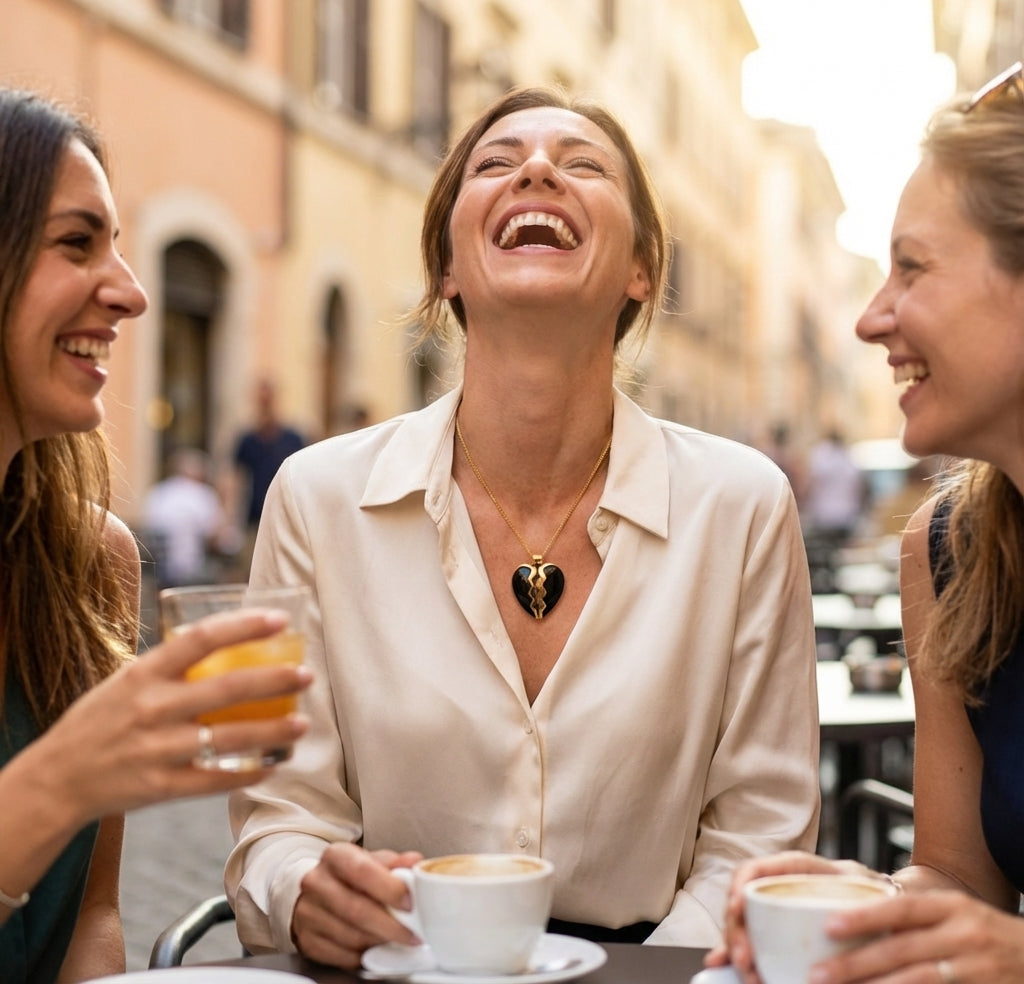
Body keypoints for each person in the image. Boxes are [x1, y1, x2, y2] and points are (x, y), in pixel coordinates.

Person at [225, 85, 820, 968]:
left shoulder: (743, 506)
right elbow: (279, 819)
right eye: (496, 164)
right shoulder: (315, 498)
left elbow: (760, 838)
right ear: (447, 271)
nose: (537, 169)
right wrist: (305, 891)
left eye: (583, 165)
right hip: (393, 969)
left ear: (641, 271)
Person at [710, 62, 1024, 984]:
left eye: (912, 267)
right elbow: (964, 885)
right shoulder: (950, 554)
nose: (867, 318)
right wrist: (868, 911)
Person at [0, 87, 312, 982]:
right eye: (75, 242)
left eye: (120, 247)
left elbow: (94, 918)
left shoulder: (91, 561)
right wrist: (66, 774)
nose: (132, 293)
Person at [233, 377, 306, 568]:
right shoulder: (247, 439)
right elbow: (235, 479)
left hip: (287, 516)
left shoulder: (293, 438)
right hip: (255, 517)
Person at [141, 446, 236, 586]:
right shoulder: (200, 494)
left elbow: (147, 526)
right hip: (190, 569)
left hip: (157, 569)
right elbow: (216, 538)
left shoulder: (157, 492)